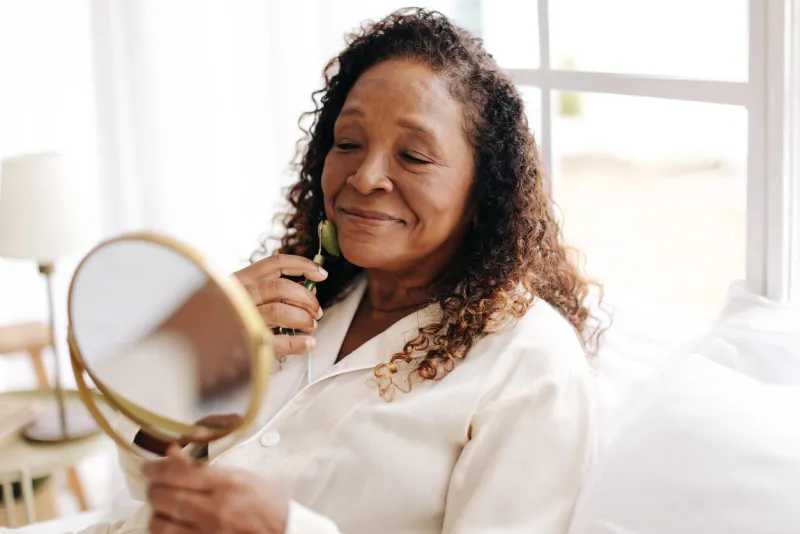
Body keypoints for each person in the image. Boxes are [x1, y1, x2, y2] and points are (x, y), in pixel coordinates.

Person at [81, 8, 605, 534]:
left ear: (482, 194)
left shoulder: (530, 366)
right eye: (348, 143)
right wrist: (199, 351)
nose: (365, 176)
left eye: (414, 157)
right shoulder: (297, 294)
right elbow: (147, 478)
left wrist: (283, 527)